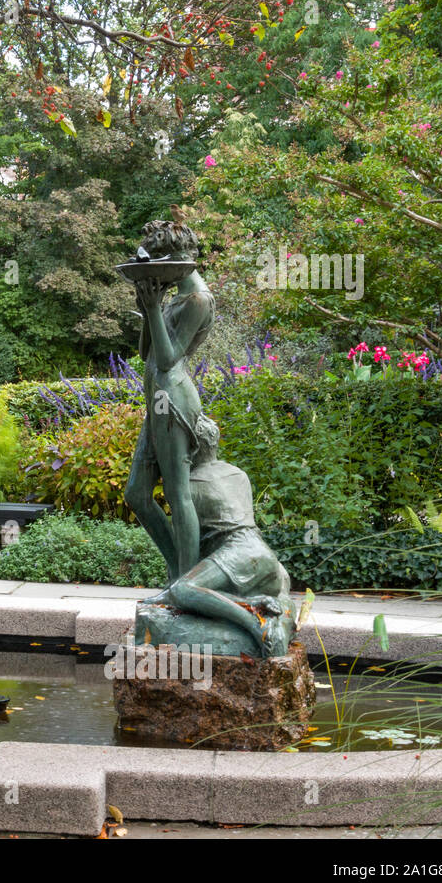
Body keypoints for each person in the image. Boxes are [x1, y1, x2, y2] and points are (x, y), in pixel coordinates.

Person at [158, 415, 296, 657]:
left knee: (182, 590)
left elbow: (189, 555)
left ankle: (254, 624)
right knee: (275, 596)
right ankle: (267, 609)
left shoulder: (187, 487)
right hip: (267, 558)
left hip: (237, 554)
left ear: (188, 447)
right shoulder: (239, 474)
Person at [123, 220, 215, 582]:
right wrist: (150, 309)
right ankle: (179, 572)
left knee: (179, 496)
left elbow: (167, 358)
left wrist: (154, 307)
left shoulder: (197, 299)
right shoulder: (175, 295)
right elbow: (145, 350)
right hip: (156, 402)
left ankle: (187, 581)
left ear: (174, 260)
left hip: (174, 401)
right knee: (137, 494)